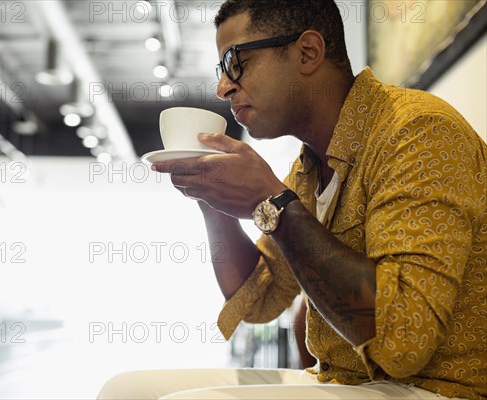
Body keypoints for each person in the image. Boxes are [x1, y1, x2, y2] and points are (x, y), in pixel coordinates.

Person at [98, 0, 487, 399]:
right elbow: (257, 301)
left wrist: (273, 202)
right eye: (222, 69)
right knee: (125, 389)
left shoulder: (417, 133)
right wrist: (208, 194)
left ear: (307, 52)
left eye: (236, 62)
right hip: (347, 381)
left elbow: (404, 341)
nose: (223, 87)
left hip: (439, 389)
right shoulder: (308, 169)